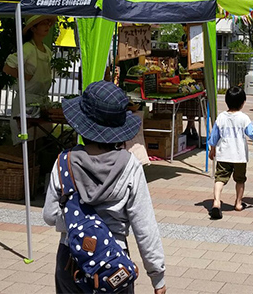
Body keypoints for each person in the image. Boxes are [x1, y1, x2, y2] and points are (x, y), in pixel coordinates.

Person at [43, 81, 166, 294]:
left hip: (70, 257)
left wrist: (77, 222)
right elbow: (145, 227)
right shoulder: (130, 166)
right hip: (113, 262)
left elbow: (50, 215)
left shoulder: (64, 162)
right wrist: (157, 276)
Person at [208, 86, 253, 219]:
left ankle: (216, 201)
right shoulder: (243, 118)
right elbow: (252, 134)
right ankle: (238, 203)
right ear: (243, 102)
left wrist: (212, 150)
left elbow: (214, 137)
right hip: (239, 156)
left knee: (220, 178)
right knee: (240, 180)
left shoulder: (221, 117)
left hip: (223, 155)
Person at [3, 15, 56, 115]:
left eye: (48, 23)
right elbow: (8, 68)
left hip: (42, 100)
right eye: (43, 24)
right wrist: (25, 76)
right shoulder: (28, 48)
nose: (47, 27)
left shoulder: (47, 51)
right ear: (33, 28)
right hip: (27, 100)